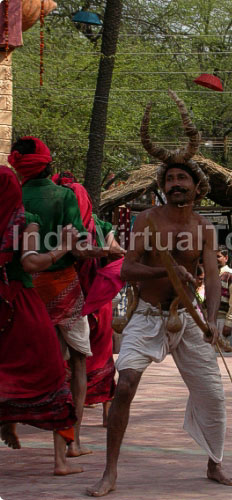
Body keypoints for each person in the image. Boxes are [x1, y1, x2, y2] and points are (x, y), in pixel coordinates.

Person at [87, 90, 232, 497]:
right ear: (162, 186)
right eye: (169, 179)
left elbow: (210, 273)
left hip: (187, 318)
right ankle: (110, 472)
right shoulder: (145, 219)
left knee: (212, 394)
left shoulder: (205, 228)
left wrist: (212, 320)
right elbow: (128, 268)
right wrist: (164, 269)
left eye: (182, 178)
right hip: (149, 314)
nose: (174, 183)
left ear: (196, 187)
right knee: (126, 384)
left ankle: (215, 464)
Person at [8, 137, 107, 457]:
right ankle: (71, 441)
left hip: (23, 291)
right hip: (62, 288)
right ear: (47, 164)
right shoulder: (64, 196)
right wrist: (107, 251)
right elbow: (79, 246)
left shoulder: (14, 197)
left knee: (33, 360)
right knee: (76, 362)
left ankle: (11, 415)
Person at [0, 166, 82, 476]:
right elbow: (31, 261)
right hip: (20, 305)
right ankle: (61, 461)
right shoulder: (24, 222)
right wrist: (64, 246)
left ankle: (7, 421)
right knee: (51, 374)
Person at [53, 172, 125, 427]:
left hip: (66, 297)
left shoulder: (52, 222)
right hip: (88, 299)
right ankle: (95, 417)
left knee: (71, 358)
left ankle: (67, 420)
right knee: (95, 356)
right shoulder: (95, 225)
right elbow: (115, 251)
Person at [217, 245, 232, 352]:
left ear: (226, 258)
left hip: (223, 320)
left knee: (226, 354)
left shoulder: (231, 276)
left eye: (218, 256)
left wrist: (229, 322)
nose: (215, 259)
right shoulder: (208, 274)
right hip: (209, 320)